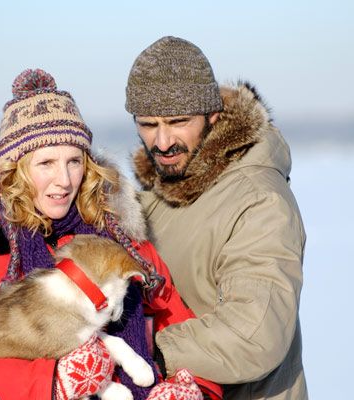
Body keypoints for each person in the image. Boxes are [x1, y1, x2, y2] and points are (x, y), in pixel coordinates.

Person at [0, 69, 221, 400]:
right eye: (46, 163)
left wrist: (196, 393)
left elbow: (192, 342)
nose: (64, 180)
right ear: (14, 170)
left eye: (74, 161)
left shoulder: (124, 249)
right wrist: (49, 383)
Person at [125, 36, 307, 399]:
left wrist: (144, 348)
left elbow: (254, 334)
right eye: (148, 124)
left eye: (178, 121)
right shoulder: (157, 193)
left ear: (214, 116)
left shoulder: (258, 201)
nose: (162, 142)